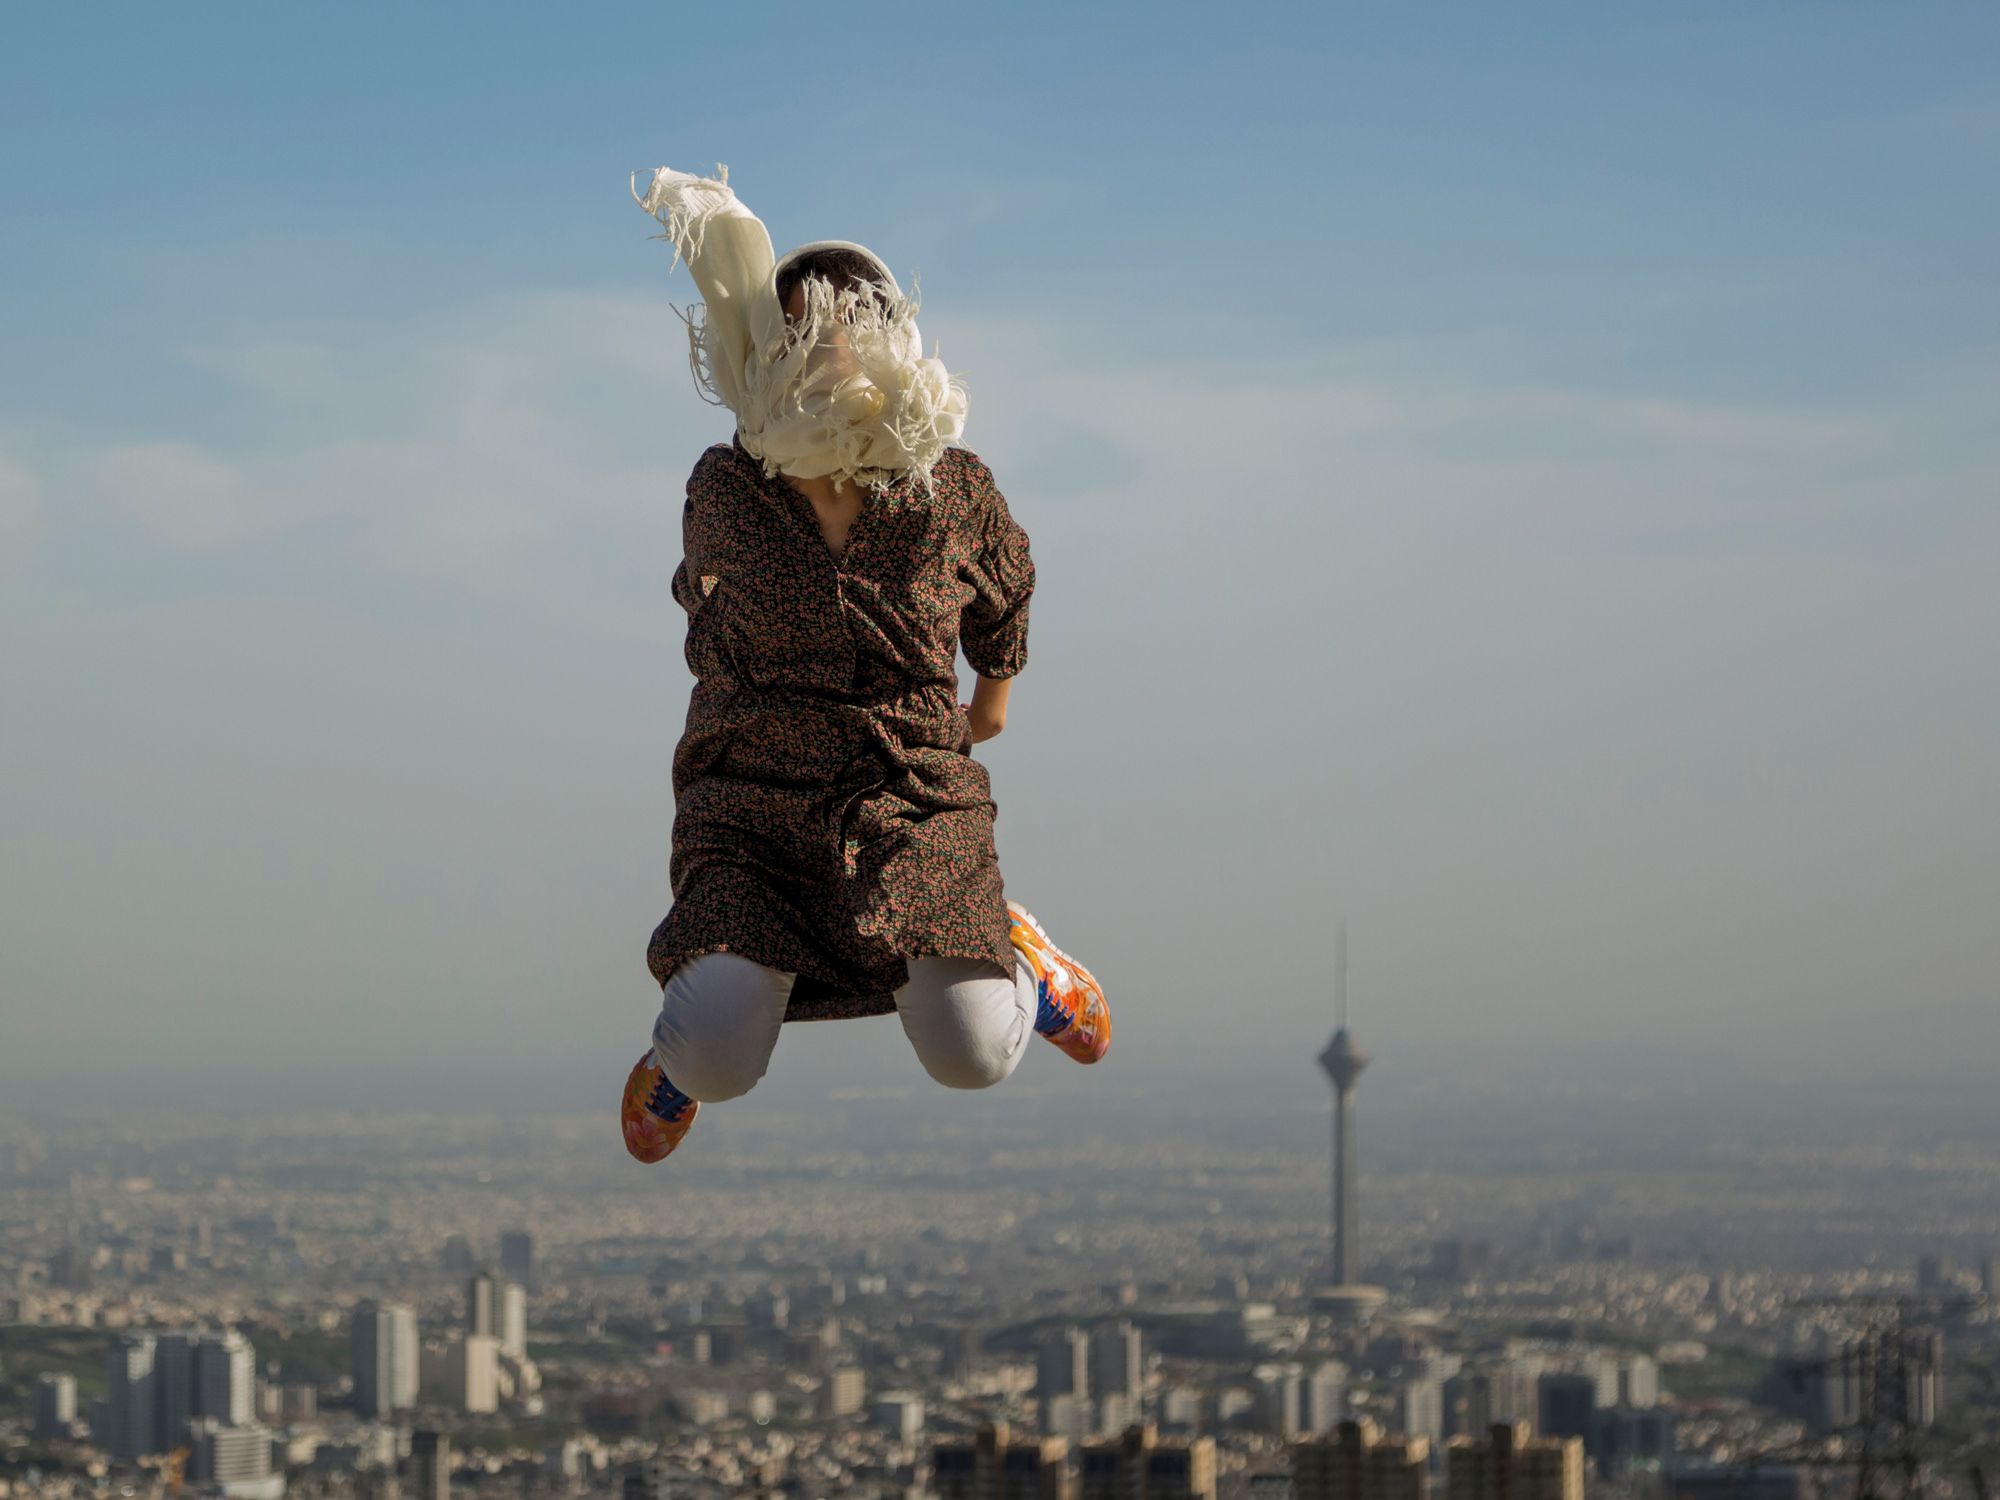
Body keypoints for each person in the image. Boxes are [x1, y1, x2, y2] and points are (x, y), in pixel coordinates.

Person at [619, 166, 1111, 1164]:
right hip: (755, 808)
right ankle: (684, 1057)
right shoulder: (725, 491)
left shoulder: (952, 493)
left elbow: (1008, 584)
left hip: (912, 802)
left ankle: (1023, 964)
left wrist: (992, 704)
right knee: (713, 1053)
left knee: (972, 1053)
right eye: (797, 350)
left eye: (842, 350)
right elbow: (700, 620)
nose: (821, 373)